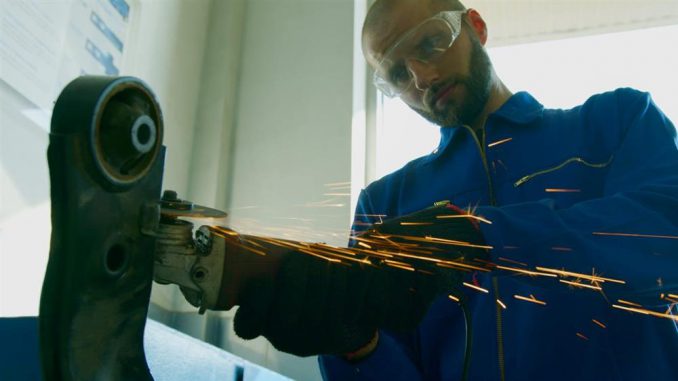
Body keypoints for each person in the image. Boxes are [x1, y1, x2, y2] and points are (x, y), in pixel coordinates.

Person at [230, 0, 678, 380]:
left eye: (429, 43)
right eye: (399, 74)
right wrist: (355, 347)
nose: (422, 77)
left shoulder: (615, 122)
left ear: (476, 27)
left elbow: (664, 236)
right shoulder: (387, 204)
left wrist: (480, 236)